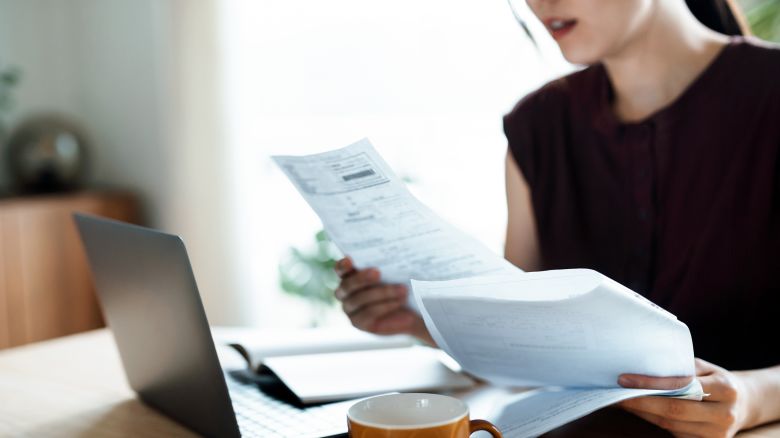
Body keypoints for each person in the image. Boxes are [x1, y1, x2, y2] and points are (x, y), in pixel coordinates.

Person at [333, 0, 780, 436]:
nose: (539, 3)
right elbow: (529, 341)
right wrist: (416, 320)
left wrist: (754, 397)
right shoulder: (537, 126)